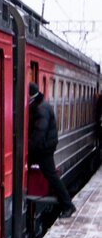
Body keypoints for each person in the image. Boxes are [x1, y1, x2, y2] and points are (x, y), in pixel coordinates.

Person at [28, 82, 76, 218]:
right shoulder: (40, 105)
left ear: (29, 95)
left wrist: (27, 149)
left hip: (43, 150)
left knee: (52, 177)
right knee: (50, 176)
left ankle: (68, 206)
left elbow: (39, 133)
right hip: (43, 148)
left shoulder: (41, 109)